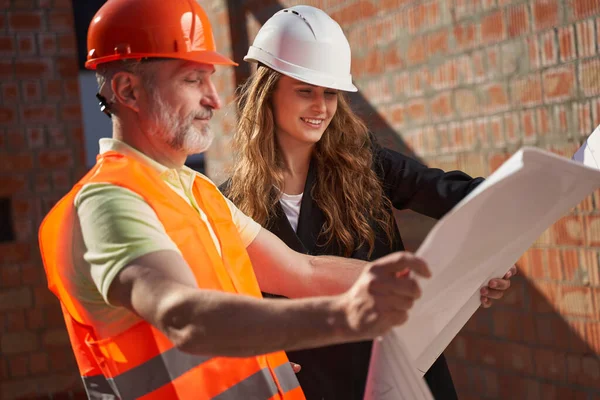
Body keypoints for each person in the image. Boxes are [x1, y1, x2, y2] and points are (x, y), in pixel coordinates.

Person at [37, 1, 434, 399]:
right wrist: (345, 315)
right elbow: (186, 317)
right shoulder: (108, 202)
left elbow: (302, 271)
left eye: (210, 79)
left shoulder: (196, 190)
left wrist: (426, 283)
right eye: (193, 80)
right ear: (128, 90)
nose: (215, 98)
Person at [222, 5, 516, 400]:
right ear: (267, 92)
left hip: (402, 375)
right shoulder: (229, 203)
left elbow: (460, 197)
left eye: (330, 93)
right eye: (305, 91)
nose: (321, 107)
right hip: (314, 386)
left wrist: (495, 252)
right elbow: (227, 306)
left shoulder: (367, 164)